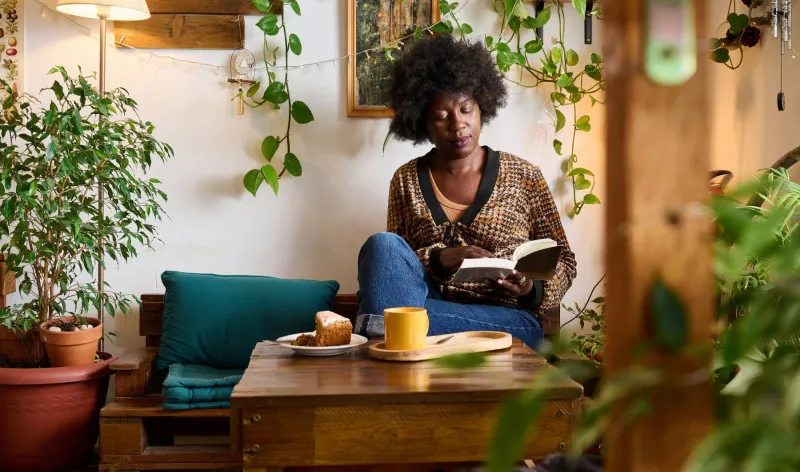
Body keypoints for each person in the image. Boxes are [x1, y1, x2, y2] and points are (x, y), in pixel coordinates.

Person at [355, 34, 577, 349]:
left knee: (392, 317)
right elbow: (397, 268)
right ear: (422, 123)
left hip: (508, 318)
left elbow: (564, 260)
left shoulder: (525, 176)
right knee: (382, 245)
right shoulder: (405, 180)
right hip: (427, 301)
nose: (457, 125)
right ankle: (391, 328)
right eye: (441, 116)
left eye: (465, 110)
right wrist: (442, 257)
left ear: (481, 108)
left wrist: (531, 289)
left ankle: (381, 327)